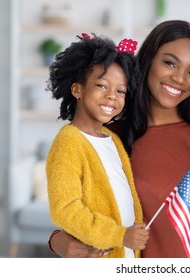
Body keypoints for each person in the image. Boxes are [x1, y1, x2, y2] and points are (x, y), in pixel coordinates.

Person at [48, 20, 190, 258]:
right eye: (170, 63)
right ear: (149, 60)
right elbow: (76, 207)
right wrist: (57, 241)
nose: (180, 79)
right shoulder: (111, 139)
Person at [45, 33, 149, 258]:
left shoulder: (113, 140)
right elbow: (66, 209)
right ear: (77, 90)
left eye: (120, 91)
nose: (112, 96)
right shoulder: (69, 142)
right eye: (102, 86)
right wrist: (119, 235)